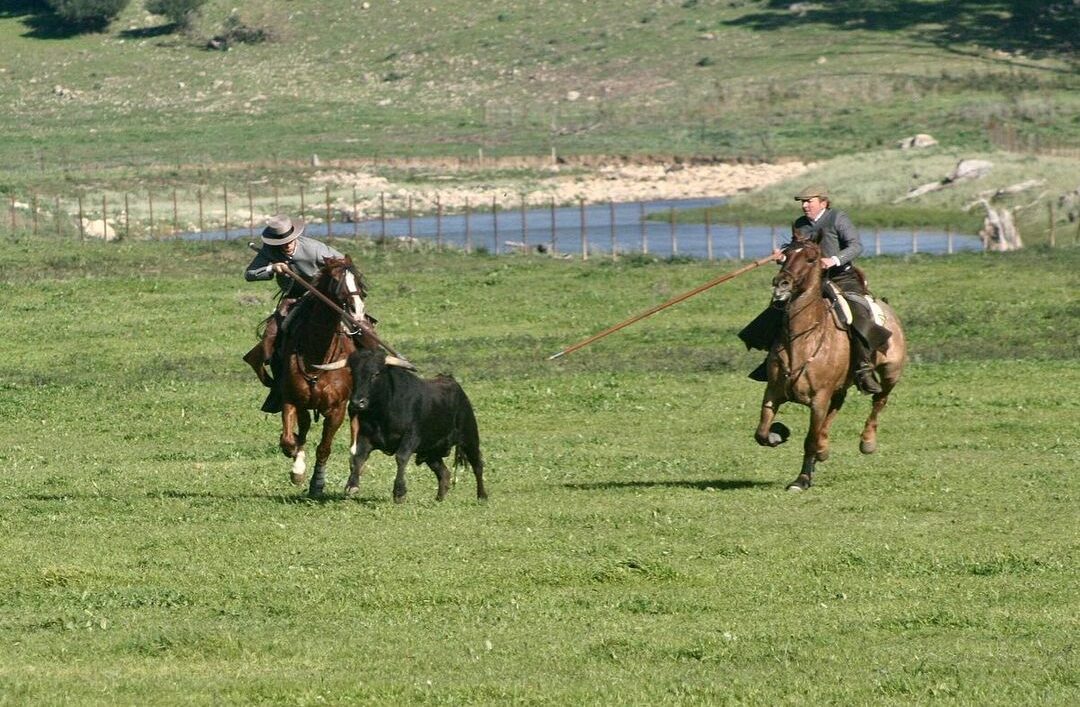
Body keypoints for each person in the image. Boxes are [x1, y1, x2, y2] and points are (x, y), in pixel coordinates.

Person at [738, 185, 890, 394]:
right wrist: (782, 257)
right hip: (810, 280)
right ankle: (771, 361)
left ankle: (863, 367)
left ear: (823, 202)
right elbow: (796, 253)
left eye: (809, 201)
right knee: (778, 310)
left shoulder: (838, 218)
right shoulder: (800, 225)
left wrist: (833, 260)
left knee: (856, 313)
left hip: (841, 278)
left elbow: (856, 246)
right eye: (802, 202)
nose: (804, 205)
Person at [242, 214, 369, 412]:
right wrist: (272, 267)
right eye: (280, 242)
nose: (285, 246)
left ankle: (368, 373)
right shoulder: (270, 251)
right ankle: (281, 384)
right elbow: (250, 274)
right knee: (273, 333)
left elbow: (345, 266)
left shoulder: (314, 248)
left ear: (295, 235)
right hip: (293, 298)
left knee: (361, 327)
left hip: (323, 297)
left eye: (288, 241)